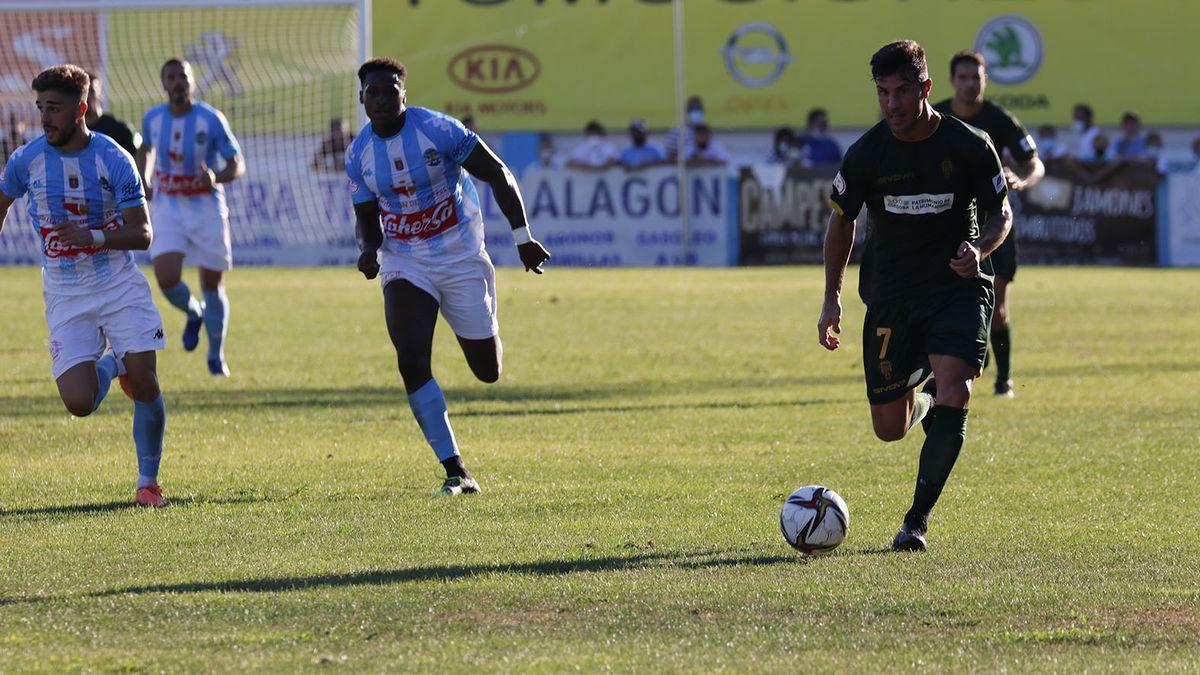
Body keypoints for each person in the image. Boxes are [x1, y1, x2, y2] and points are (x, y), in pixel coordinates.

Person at [819, 40, 1012, 552]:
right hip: (891, 296)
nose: (892, 104)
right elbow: (841, 223)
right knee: (889, 429)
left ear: (925, 88)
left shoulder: (970, 144)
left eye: (903, 91)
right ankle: (920, 395)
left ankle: (915, 522)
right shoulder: (866, 154)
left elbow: (1002, 213)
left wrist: (980, 247)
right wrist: (831, 298)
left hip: (957, 287)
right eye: (883, 93)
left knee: (959, 389)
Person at [346, 57, 551, 495]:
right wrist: (368, 250)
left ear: (405, 91)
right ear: (362, 98)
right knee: (411, 356)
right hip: (405, 260)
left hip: (460, 254)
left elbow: (497, 172)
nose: (380, 99)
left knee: (488, 371)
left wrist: (523, 237)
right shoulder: (358, 154)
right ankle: (456, 470)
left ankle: (487, 328)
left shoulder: (438, 130)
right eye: (372, 93)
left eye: (389, 90)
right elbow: (365, 216)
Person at [0, 65, 168, 507]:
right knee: (79, 403)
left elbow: (143, 234)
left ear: (80, 110)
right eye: (40, 108)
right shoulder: (26, 159)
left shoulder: (114, 158)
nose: (45, 118)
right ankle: (114, 365)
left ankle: (148, 483)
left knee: (147, 383)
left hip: (117, 285)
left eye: (53, 109)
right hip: (65, 293)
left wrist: (93, 237)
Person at [934, 50, 1043, 398]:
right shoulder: (935, 116)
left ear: (985, 80)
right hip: (947, 222)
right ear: (952, 81)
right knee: (940, 299)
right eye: (963, 78)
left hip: (995, 222)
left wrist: (1022, 179)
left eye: (975, 77)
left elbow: (1034, 162)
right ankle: (948, 371)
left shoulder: (999, 119)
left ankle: (1004, 379)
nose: (969, 84)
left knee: (997, 302)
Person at [137, 58, 245, 377]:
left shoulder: (211, 119)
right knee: (166, 276)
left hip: (205, 207)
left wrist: (215, 177)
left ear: (193, 82)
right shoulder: (153, 118)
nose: (178, 82)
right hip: (169, 206)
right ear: (164, 84)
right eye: (171, 77)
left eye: (183, 76)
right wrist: (144, 178)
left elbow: (236, 162)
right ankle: (193, 311)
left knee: (212, 283)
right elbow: (146, 150)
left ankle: (215, 355)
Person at [84, 70, 142, 158]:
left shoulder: (120, 130)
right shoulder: (72, 132)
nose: (87, 97)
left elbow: (137, 160)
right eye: (83, 93)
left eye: (91, 91)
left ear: (100, 94)